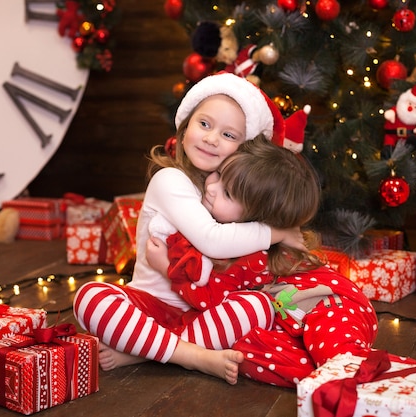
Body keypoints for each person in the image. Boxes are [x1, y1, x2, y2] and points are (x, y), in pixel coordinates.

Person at [73, 72, 303, 385]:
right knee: (91, 298)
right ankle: (193, 356)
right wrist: (278, 232)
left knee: (259, 306)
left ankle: (146, 350)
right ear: (183, 131)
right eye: (204, 124)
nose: (211, 138)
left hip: (200, 313)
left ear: (245, 151)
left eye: (229, 135)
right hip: (147, 306)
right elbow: (213, 241)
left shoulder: (227, 196)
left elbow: (231, 274)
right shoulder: (171, 181)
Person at [146, 137, 379, 388]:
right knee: (249, 353)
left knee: (340, 364)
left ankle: (360, 384)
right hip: (286, 323)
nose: (211, 187)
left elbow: (210, 299)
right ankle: (154, 350)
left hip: (333, 305)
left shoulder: (252, 251)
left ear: (256, 219)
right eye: (219, 174)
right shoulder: (228, 235)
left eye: (227, 193)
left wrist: (167, 270)